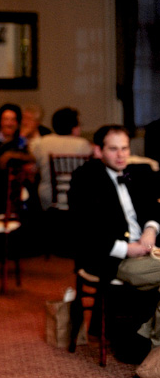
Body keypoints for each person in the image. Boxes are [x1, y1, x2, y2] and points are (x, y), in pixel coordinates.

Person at [68, 125, 160, 362]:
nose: (121, 155)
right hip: (110, 258)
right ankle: (148, 342)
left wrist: (150, 230)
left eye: (125, 148)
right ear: (98, 151)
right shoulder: (84, 178)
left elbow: (154, 208)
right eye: (113, 149)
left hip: (148, 251)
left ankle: (144, 338)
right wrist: (128, 249)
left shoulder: (136, 172)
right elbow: (84, 230)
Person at [31, 107, 91, 211]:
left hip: (48, 198)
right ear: (74, 127)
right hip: (77, 198)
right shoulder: (82, 144)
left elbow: (34, 168)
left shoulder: (43, 142)